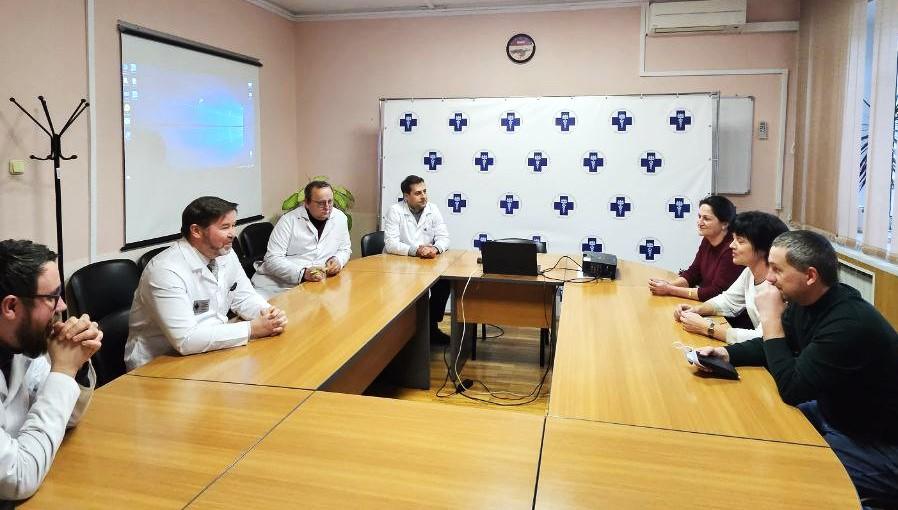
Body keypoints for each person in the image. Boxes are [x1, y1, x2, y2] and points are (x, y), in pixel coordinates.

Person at [695, 230, 898, 500]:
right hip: (835, 414)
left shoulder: (848, 324)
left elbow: (793, 388)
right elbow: (774, 345)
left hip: (876, 443)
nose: (769, 278)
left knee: (790, 472)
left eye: (777, 270)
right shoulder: (806, 301)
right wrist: (726, 354)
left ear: (810, 276)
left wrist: (770, 319)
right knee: (759, 426)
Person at [126, 197, 287, 370]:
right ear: (196, 231)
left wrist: (268, 314)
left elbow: (244, 297)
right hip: (159, 363)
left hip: (213, 347)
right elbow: (185, 340)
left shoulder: (225, 253)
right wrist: (251, 329)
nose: (233, 233)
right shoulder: (164, 270)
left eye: (233, 225)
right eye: (225, 227)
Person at [0, 239, 100, 500]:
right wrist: (64, 370)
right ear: (11, 306)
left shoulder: (19, 344)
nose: (62, 306)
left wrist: (76, 364)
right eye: (52, 297)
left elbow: (66, 418)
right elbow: (17, 478)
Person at [673, 211, 789, 343]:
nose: (731, 245)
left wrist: (707, 328)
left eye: (740, 241)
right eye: (733, 239)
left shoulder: (778, 286)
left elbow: (765, 338)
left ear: (764, 248)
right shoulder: (749, 272)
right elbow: (728, 301)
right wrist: (695, 310)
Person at [251, 181, 352, 298]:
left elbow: (345, 249)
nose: (327, 207)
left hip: (316, 285)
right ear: (307, 203)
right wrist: (303, 273)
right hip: (278, 285)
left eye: (330, 201)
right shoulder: (288, 221)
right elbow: (272, 259)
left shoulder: (340, 218)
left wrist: (338, 260)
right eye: (321, 203)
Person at [384, 175, 451, 343]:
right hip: (399, 265)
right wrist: (416, 250)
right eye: (418, 193)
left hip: (426, 264)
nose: (424, 196)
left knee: (444, 283)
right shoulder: (395, 210)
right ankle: (404, 335)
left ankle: (431, 326)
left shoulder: (433, 209)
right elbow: (391, 244)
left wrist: (435, 248)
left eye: (425, 191)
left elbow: (444, 237)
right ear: (406, 196)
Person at [649, 195, 742, 301]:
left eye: (706, 218)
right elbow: (693, 273)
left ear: (724, 224)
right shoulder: (707, 239)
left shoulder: (732, 250)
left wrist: (670, 289)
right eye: (699, 217)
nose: (700, 222)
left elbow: (715, 293)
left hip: (721, 309)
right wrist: (669, 285)